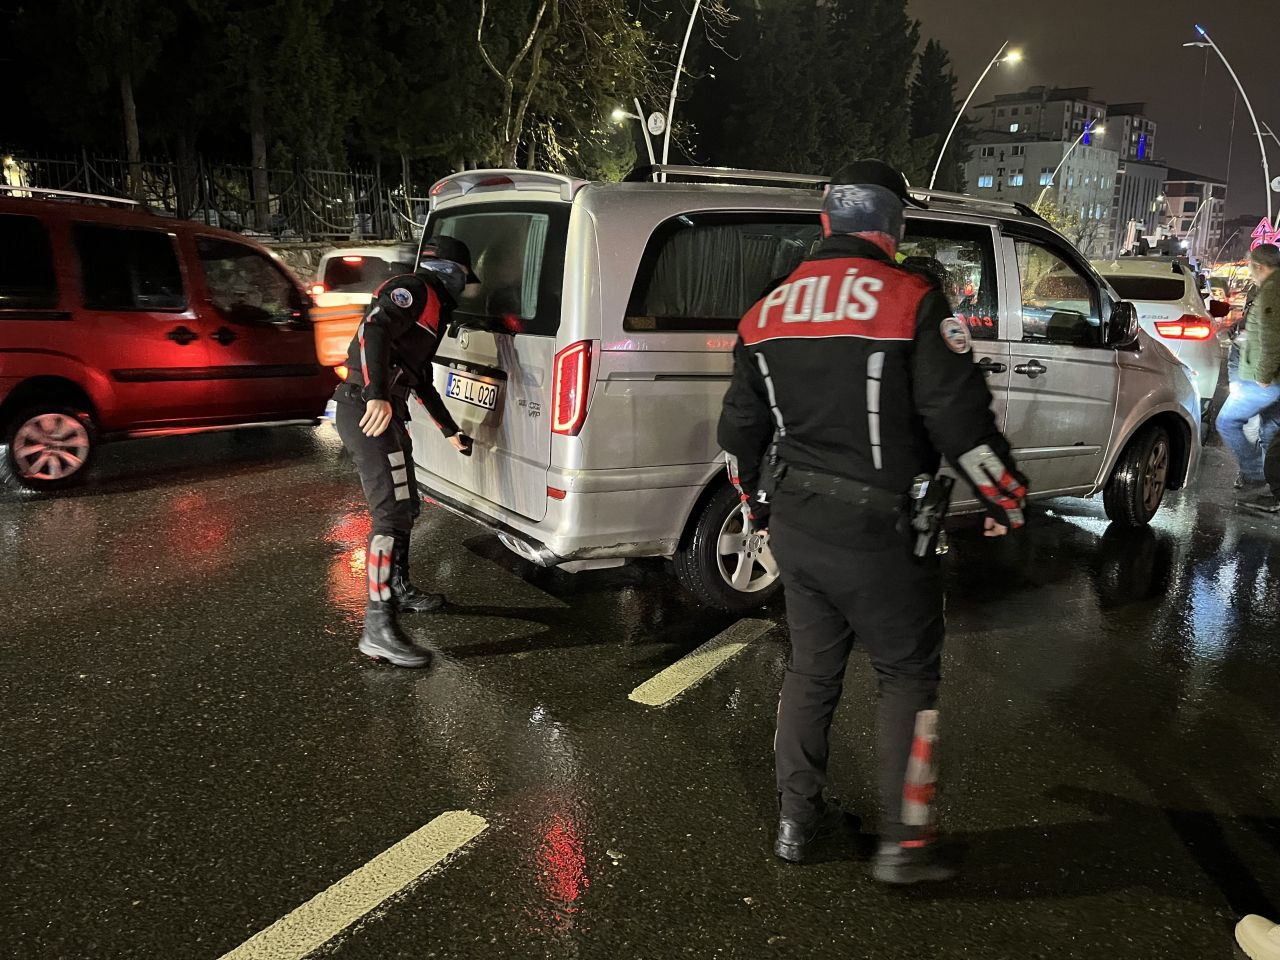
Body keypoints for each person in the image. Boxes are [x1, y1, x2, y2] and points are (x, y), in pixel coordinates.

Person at [718, 159, 1028, 885]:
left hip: (797, 525)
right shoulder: (911, 299)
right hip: (882, 534)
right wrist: (1007, 501)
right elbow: (961, 423)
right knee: (906, 676)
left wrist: (758, 509)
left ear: (827, 220)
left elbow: (738, 435)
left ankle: (797, 824)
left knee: (810, 671)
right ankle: (906, 844)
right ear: (894, 226)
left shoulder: (766, 311)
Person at [334, 236, 479, 668]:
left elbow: (420, 379)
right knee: (390, 515)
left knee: (407, 506)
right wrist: (376, 394)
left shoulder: (432, 309)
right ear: (451, 271)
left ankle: (397, 588)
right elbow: (373, 330)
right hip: (367, 410)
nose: (464, 287)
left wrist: (450, 431)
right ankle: (377, 627)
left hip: (388, 413)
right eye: (463, 277)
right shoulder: (415, 289)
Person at [1221, 244, 1280, 503]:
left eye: (1250, 267)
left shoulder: (1272, 291)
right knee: (1270, 430)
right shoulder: (1271, 288)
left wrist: (1264, 376)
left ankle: (1256, 477)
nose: (1250, 273)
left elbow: (1273, 338)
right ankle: (1269, 488)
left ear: (1259, 266)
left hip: (1266, 379)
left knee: (1227, 422)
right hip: (1271, 377)